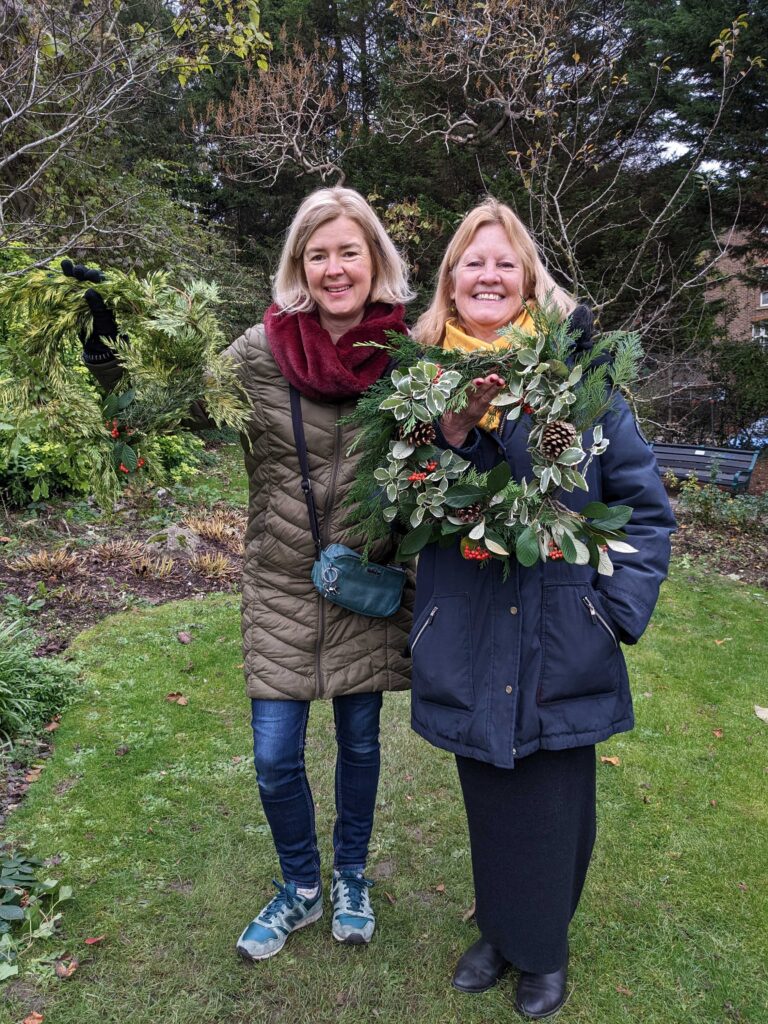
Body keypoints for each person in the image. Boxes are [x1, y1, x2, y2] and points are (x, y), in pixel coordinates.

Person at [71, 186, 415, 959]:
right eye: (317, 253)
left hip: (367, 584)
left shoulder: (410, 356)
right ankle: (301, 886)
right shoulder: (258, 352)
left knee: (361, 746)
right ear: (299, 263)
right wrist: (108, 357)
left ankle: (351, 874)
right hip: (283, 583)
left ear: (374, 260)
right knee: (272, 757)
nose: (334, 268)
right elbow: (165, 408)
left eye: (348, 251)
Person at [408, 199, 675, 1019]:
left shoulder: (583, 385)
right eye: (471, 261)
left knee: (554, 797)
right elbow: (398, 511)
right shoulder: (415, 383)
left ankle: (542, 950)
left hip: (562, 629)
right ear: (450, 281)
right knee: (488, 788)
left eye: (504, 262)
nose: (488, 274)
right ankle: (501, 930)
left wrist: (614, 610)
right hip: (466, 626)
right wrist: (449, 435)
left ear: (528, 281)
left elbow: (644, 507)